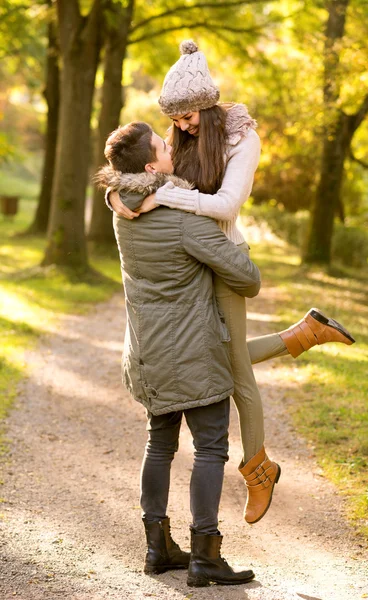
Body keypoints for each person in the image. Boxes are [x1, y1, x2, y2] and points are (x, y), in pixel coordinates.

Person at [107, 41, 355, 526]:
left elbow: (225, 205)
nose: (180, 127)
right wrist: (120, 199)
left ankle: (258, 468)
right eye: (173, 119)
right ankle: (304, 334)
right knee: (224, 348)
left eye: (188, 116)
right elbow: (139, 173)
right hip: (193, 256)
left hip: (224, 256)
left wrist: (169, 204)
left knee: (235, 366)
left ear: (207, 103)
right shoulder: (176, 135)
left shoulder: (244, 139)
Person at [97, 120, 263, 587]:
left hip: (148, 354)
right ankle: (205, 554)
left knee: (160, 443)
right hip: (194, 352)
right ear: (152, 165)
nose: (172, 145)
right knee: (210, 448)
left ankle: (157, 547)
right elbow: (247, 279)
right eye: (162, 145)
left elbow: (119, 190)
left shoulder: (120, 209)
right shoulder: (184, 220)